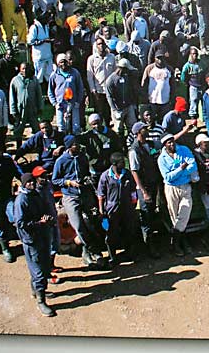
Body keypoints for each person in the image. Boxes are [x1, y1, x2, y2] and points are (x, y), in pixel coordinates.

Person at [53, 135, 105, 266]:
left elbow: (86, 171)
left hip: (85, 194)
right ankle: (92, 250)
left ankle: (90, 252)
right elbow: (55, 180)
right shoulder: (61, 161)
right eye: (75, 144)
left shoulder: (82, 157)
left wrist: (88, 178)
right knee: (78, 226)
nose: (77, 146)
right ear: (69, 146)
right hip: (71, 196)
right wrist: (69, 182)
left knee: (92, 222)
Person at [14, 172, 58, 317]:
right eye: (29, 183)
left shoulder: (36, 194)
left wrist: (47, 218)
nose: (32, 184)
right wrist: (39, 223)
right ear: (23, 184)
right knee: (38, 271)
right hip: (31, 240)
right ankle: (41, 301)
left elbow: (45, 209)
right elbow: (20, 224)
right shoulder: (21, 200)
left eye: (33, 181)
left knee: (44, 267)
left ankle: (36, 290)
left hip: (43, 236)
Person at [156, 133, 198, 257]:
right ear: (164, 145)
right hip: (171, 188)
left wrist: (181, 172)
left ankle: (175, 239)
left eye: (172, 141)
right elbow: (168, 177)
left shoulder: (184, 150)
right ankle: (180, 242)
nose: (172, 144)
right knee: (175, 216)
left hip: (185, 185)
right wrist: (181, 169)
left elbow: (193, 165)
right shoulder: (162, 159)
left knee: (184, 213)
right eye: (168, 142)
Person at [95, 152, 138, 265]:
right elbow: (101, 195)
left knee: (128, 230)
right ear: (114, 164)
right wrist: (101, 211)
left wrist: (133, 203)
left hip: (127, 207)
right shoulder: (105, 176)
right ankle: (112, 256)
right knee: (111, 233)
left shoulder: (127, 174)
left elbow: (133, 190)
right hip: (112, 209)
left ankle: (129, 254)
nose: (124, 164)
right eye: (121, 163)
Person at [128, 121, 162, 259]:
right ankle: (148, 246)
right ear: (137, 133)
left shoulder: (150, 145)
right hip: (145, 187)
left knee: (152, 213)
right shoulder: (134, 150)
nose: (146, 130)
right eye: (143, 129)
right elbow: (134, 171)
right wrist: (143, 191)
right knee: (146, 216)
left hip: (153, 183)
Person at [48, 53, 85, 135]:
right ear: (58, 63)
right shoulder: (54, 75)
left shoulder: (75, 72)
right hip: (60, 103)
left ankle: (76, 143)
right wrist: (54, 103)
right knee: (61, 125)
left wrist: (78, 101)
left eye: (65, 61)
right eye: (61, 62)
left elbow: (80, 88)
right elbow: (50, 91)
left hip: (73, 103)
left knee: (76, 126)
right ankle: (63, 142)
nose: (63, 64)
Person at [104, 57, 138, 137]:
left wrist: (133, 104)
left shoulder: (127, 77)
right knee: (119, 129)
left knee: (132, 127)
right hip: (118, 108)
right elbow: (109, 96)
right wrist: (114, 110)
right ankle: (121, 145)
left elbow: (130, 91)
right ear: (122, 68)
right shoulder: (111, 80)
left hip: (128, 106)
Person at [86, 37, 116, 121]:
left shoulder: (111, 57)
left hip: (110, 89)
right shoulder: (91, 59)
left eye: (102, 43)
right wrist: (93, 89)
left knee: (110, 112)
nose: (101, 46)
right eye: (99, 44)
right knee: (99, 112)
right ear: (96, 46)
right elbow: (90, 75)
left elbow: (115, 73)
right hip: (98, 90)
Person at [141, 49, 174, 120]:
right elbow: (144, 83)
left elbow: (172, 84)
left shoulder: (169, 69)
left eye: (162, 58)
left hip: (165, 101)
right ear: (154, 58)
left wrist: (172, 97)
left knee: (164, 119)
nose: (160, 60)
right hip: (152, 100)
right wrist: (145, 97)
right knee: (152, 119)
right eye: (158, 58)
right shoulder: (149, 68)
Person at [28, 11, 55, 85]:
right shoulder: (34, 27)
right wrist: (44, 41)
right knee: (38, 78)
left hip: (48, 56)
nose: (48, 20)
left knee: (50, 76)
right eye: (47, 18)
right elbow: (30, 41)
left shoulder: (46, 26)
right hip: (39, 58)